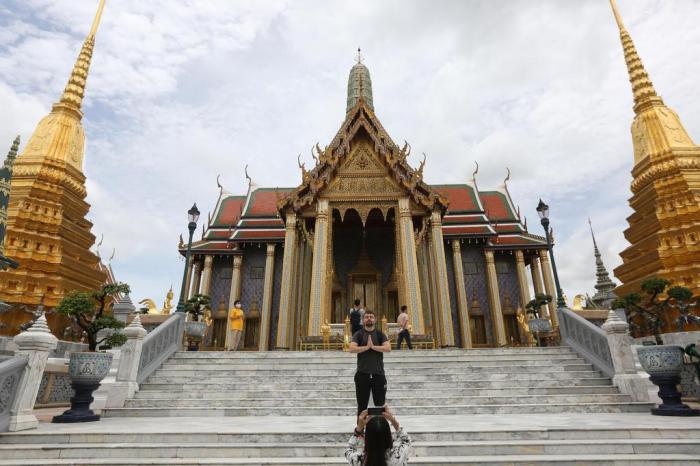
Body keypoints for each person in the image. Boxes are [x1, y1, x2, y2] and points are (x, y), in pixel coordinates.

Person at [349, 309, 391, 416]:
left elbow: (388, 348)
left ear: (375, 320)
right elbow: (352, 349)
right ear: (363, 320)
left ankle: (379, 431)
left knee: (380, 406)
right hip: (362, 374)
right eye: (366, 317)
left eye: (371, 317)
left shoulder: (380, 334)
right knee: (362, 407)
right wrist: (367, 347)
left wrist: (373, 347)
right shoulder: (358, 334)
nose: (369, 318)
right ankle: (359, 432)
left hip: (378, 374)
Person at [345, 406, 412, 466]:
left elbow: (349, 449)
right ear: (388, 436)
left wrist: (359, 429)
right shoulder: (398, 458)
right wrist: (394, 422)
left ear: (367, 438)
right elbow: (406, 441)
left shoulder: (358, 460)